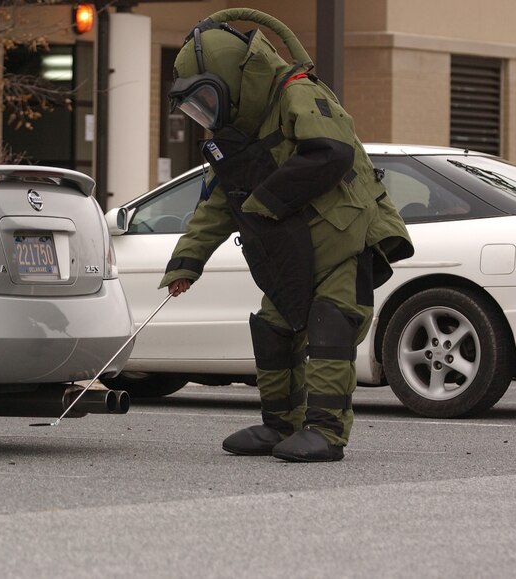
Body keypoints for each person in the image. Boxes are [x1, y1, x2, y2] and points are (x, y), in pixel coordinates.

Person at [161, 8, 414, 462]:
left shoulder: (297, 94)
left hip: (344, 242)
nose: (206, 116)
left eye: (207, 100)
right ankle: (279, 425)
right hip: (296, 252)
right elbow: (219, 203)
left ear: (230, 79)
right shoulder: (240, 136)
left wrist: (265, 201)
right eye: (195, 107)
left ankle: (326, 431)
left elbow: (329, 154)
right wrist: (186, 262)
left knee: (330, 324)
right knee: (273, 329)